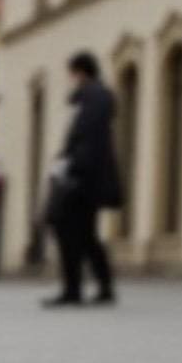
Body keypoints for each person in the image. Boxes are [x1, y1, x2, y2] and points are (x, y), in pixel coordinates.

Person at [47, 52, 122, 307]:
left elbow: (87, 140)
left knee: (69, 232)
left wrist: (70, 166)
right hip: (87, 176)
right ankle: (103, 287)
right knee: (87, 235)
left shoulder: (93, 98)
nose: (70, 80)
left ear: (80, 72)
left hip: (81, 178)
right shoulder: (93, 98)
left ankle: (73, 289)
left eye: (71, 74)